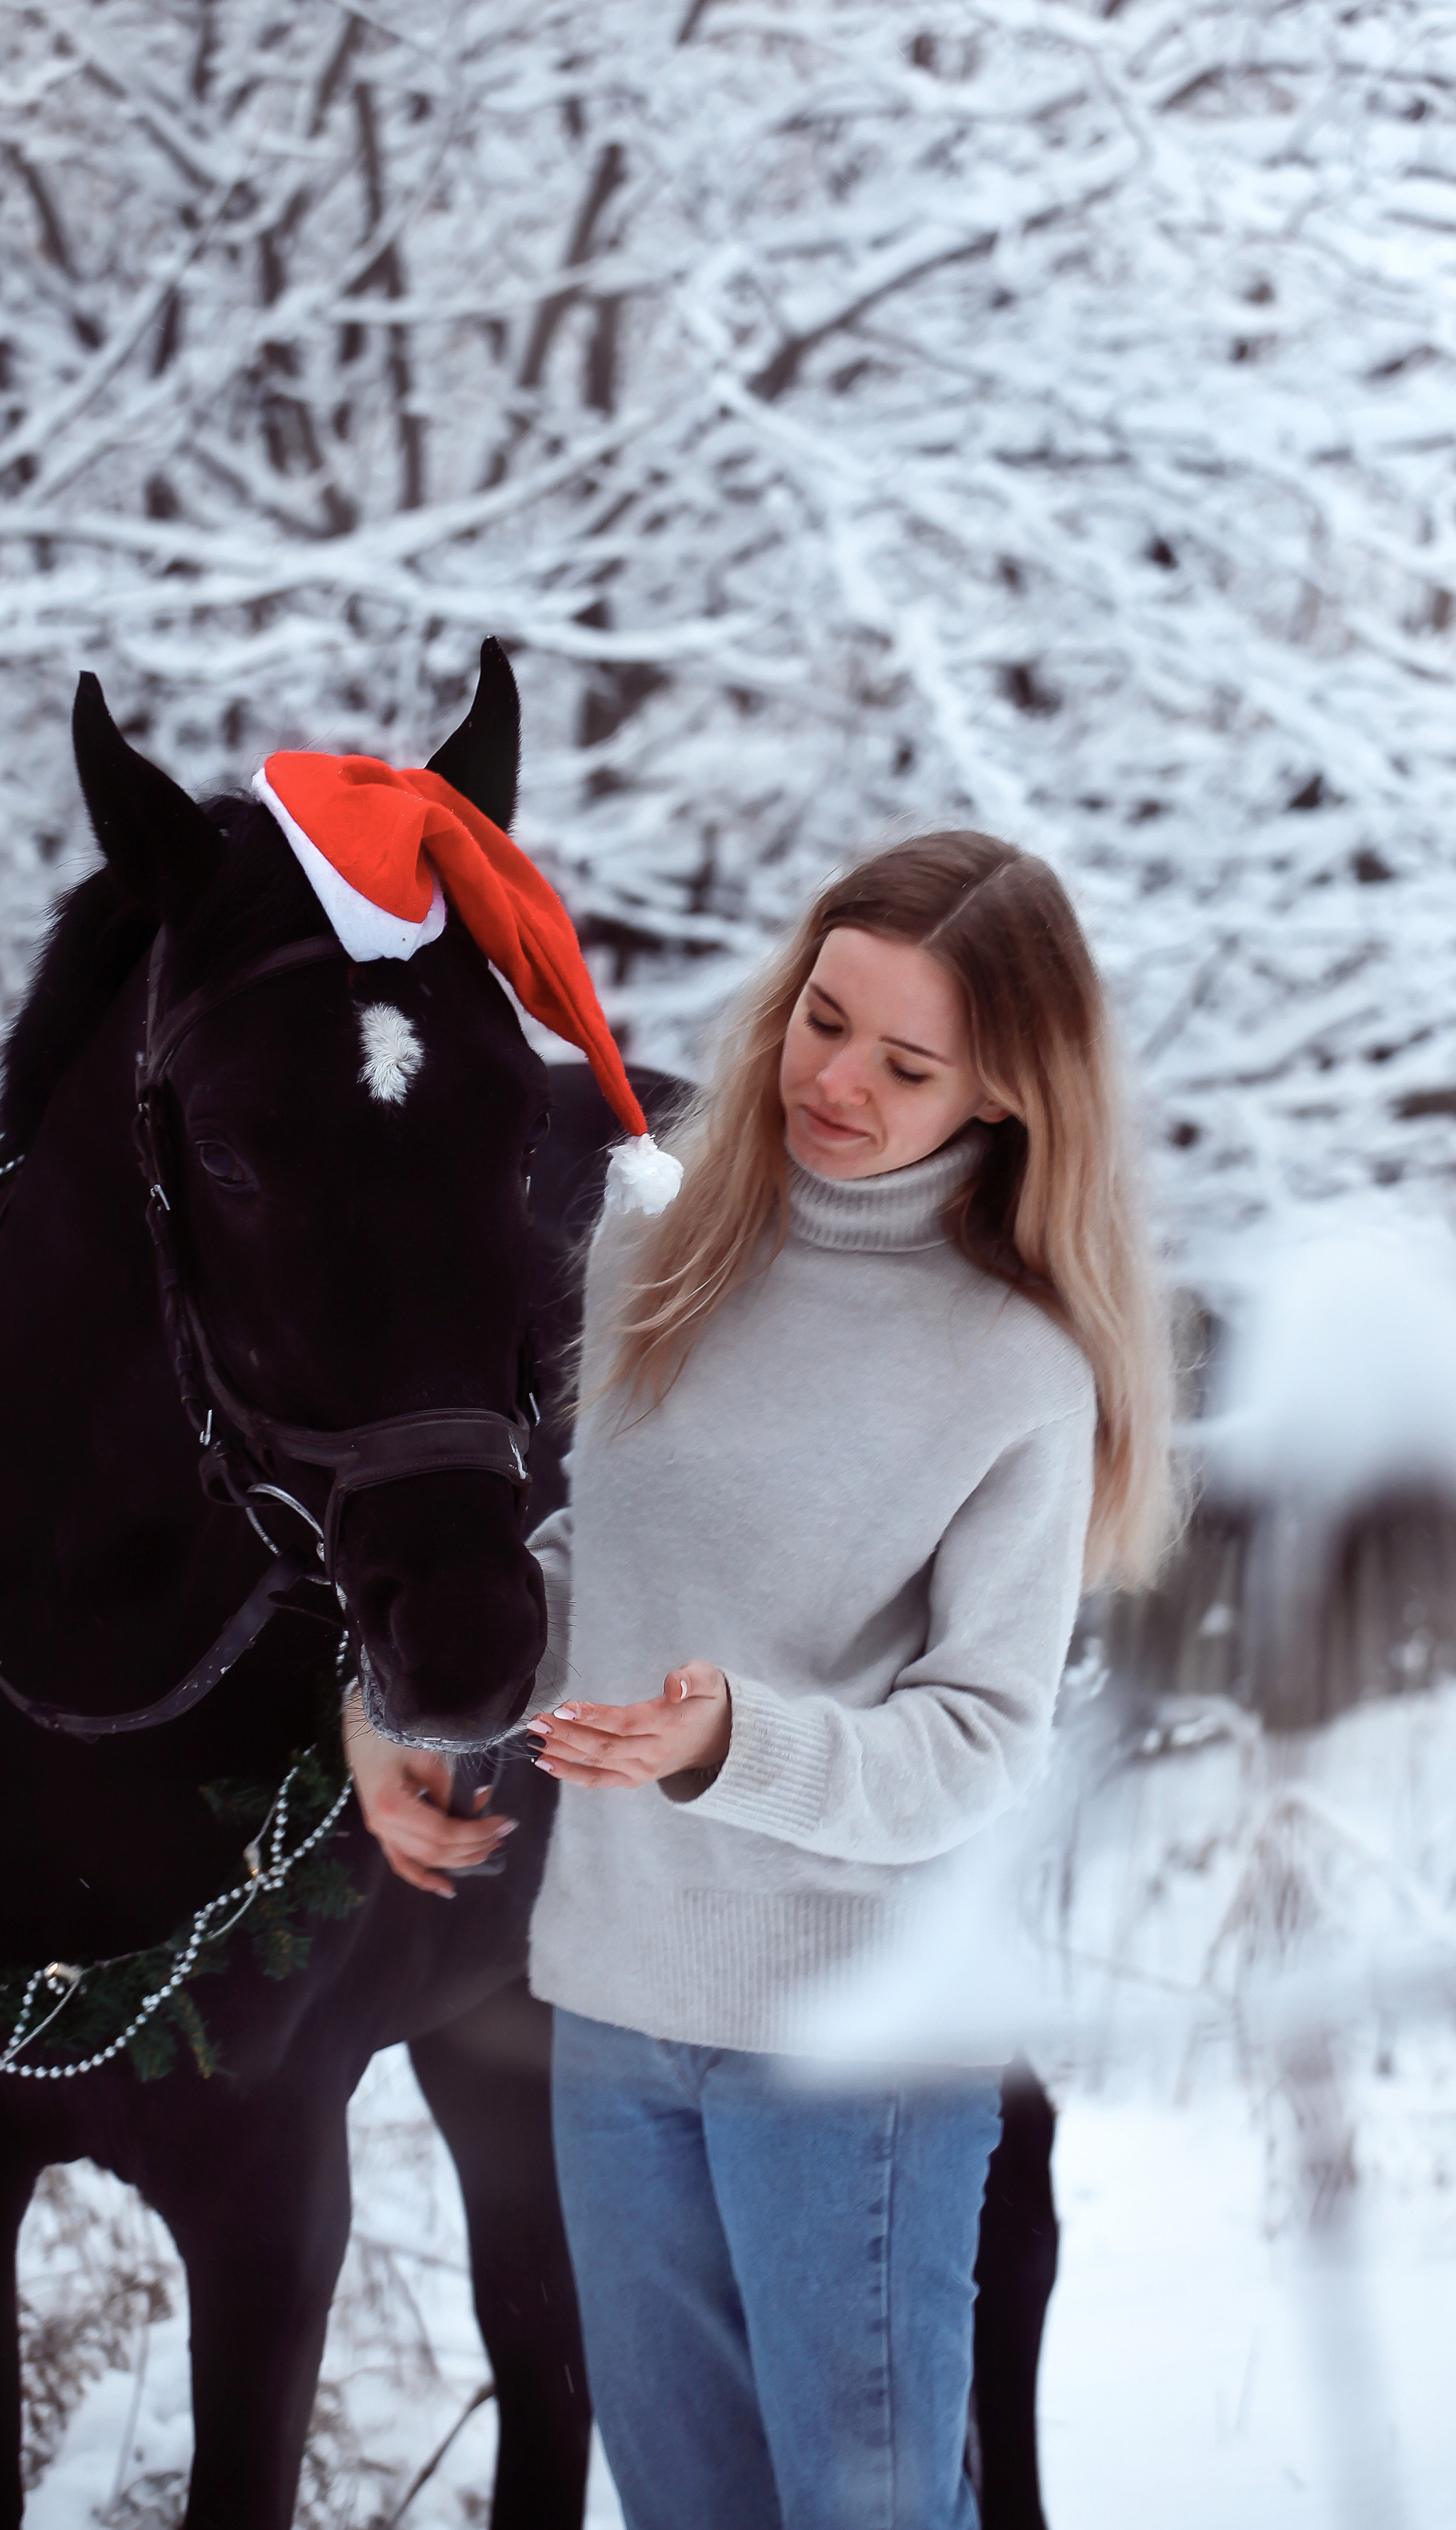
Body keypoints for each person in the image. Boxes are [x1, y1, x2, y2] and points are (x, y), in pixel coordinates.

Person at [348, 829, 1171, 2530]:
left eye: (905, 1060)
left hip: (850, 2050)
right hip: (614, 2013)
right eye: (822, 1019)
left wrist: (737, 1743)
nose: (836, 1081)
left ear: (1005, 1092)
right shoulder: (663, 1245)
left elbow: (979, 1740)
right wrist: (400, 1700)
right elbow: (595, 1576)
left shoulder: (1014, 1363)